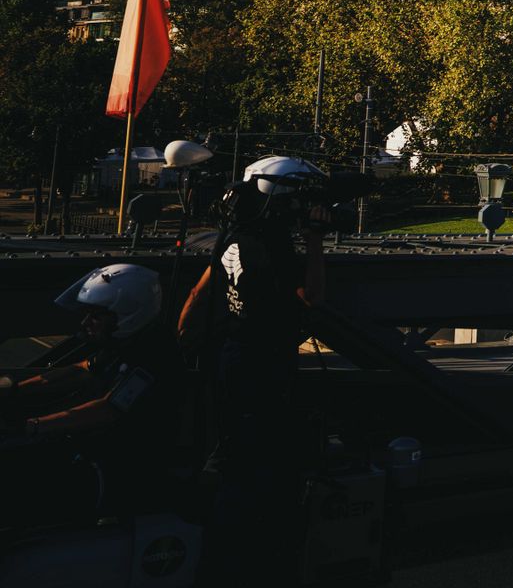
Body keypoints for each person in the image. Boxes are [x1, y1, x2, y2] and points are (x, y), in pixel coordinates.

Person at [179, 155, 331, 587]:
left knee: (229, 449)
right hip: (263, 361)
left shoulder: (235, 232)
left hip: (231, 352)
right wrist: (315, 242)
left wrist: (185, 329)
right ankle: (241, 557)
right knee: (255, 462)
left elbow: (203, 286)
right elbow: (312, 296)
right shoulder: (273, 244)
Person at [0, 264, 182, 528]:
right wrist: (16, 389)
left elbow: (108, 409)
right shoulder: (124, 341)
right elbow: (82, 370)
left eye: (95, 316)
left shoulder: (154, 354)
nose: (85, 323)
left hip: (121, 470)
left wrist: (33, 426)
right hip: (94, 451)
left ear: (127, 314)